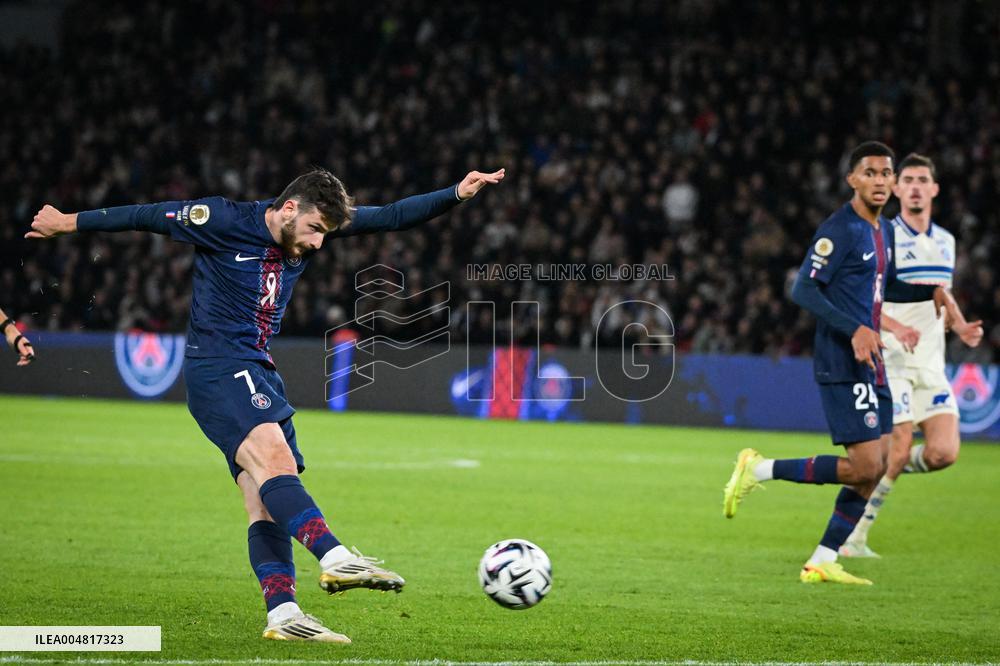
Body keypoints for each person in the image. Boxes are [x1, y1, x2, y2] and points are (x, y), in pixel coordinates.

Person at [26, 167, 505, 642]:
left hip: (257, 367)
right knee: (275, 461)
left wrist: (457, 193)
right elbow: (145, 215)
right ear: (290, 208)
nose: (319, 243)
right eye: (316, 229)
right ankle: (336, 558)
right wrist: (68, 222)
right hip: (218, 365)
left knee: (267, 500)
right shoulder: (220, 218)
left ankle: (284, 613)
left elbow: (394, 215)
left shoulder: (312, 226)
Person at [722, 141, 960, 585]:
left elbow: (884, 286)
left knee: (882, 461)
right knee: (866, 466)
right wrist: (854, 329)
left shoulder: (883, 230)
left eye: (886, 173)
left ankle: (823, 558)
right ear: (852, 179)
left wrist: (929, 292)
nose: (880, 181)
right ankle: (757, 469)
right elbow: (804, 290)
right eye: (870, 173)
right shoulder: (840, 228)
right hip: (843, 357)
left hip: (874, 359)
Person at [839, 154, 983, 558]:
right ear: (898, 189)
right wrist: (895, 328)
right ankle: (856, 536)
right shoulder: (883, 235)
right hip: (893, 358)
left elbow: (941, 292)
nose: (916, 186)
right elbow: (867, 298)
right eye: (908, 180)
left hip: (931, 364)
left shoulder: (946, 241)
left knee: (943, 453)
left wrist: (960, 322)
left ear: (935, 189)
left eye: (924, 179)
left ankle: (879, 470)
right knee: (900, 446)